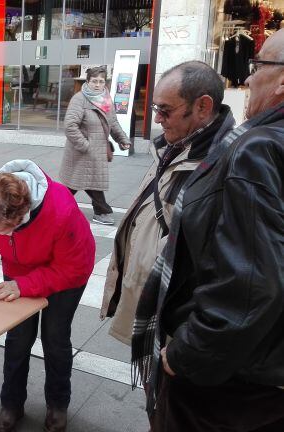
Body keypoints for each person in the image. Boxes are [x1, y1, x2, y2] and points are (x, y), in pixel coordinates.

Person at [132, 30, 284, 431]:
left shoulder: (255, 149)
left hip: (230, 385)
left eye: (259, 65)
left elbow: (252, 286)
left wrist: (185, 354)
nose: (249, 78)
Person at [100, 61, 235, 345]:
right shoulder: (174, 145)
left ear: (202, 107)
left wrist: (188, 343)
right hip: (157, 311)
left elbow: (230, 275)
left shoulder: (229, 166)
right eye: (155, 109)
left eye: (165, 110)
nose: (158, 119)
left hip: (179, 327)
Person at [0, 160, 95, 432]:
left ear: (20, 218)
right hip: (18, 271)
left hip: (65, 275)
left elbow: (73, 268)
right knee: (18, 338)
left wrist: (24, 285)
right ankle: (11, 404)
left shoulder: (60, 211)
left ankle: (57, 405)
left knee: (55, 338)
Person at [60, 66, 131, 225]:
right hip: (81, 151)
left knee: (83, 183)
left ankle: (56, 207)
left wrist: (122, 139)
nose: (98, 85)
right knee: (80, 183)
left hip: (95, 151)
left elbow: (112, 121)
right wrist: (85, 146)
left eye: (101, 81)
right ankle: (101, 211)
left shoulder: (105, 98)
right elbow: (70, 126)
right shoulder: (79, 99)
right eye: (94, 81)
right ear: (87, 81)